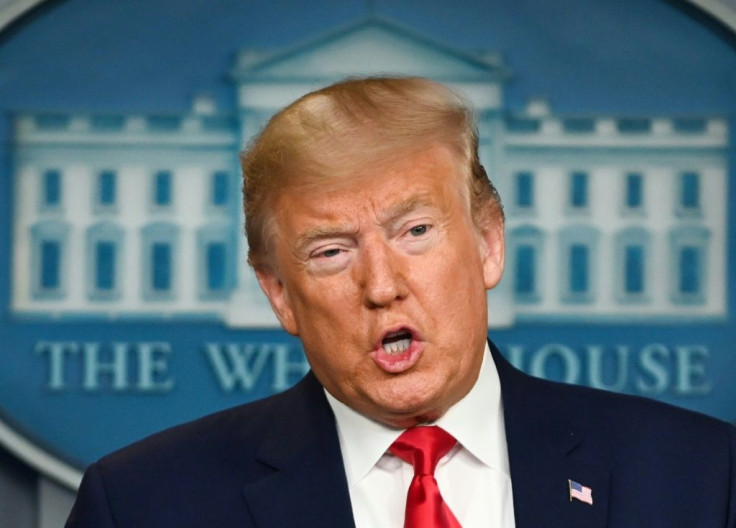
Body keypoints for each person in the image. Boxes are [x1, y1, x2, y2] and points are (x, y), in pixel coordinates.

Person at [66, 77, 736, 527]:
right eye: (331, 252)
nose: (382, 286)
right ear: (279, 294)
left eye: (415, 232)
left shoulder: (699, 479)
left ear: (488, 243)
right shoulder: (142, 505)